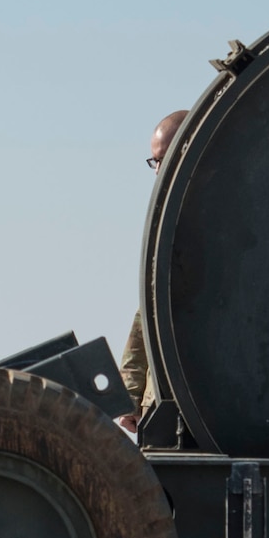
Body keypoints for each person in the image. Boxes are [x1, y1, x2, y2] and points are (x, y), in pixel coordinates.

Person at [117, 109, 187, 431]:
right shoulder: (166, 221)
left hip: (197, 404)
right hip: (160, 405)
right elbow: (148, 310)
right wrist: (128, 394)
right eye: (154, 162)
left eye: (164, 158)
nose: (158, 170)